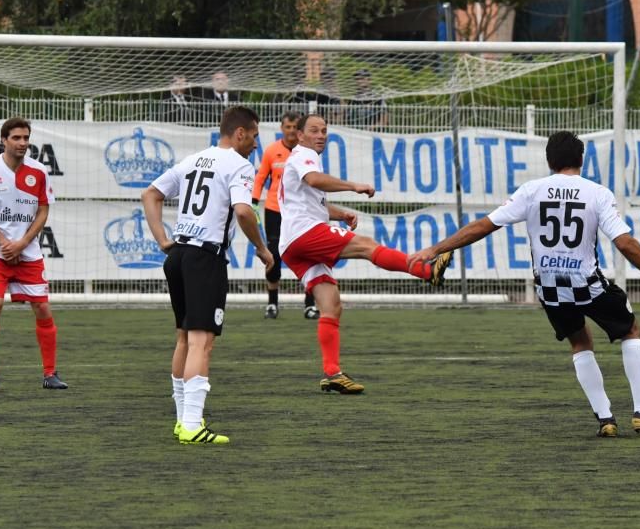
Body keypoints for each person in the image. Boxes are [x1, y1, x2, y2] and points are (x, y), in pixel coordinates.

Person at [408, 131, 640, 437]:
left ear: (549, 160)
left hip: (549, 288)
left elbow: (483, 225)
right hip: (587, 284)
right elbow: (625, 243)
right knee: (630, 330)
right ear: (581, 159)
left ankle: (606, 419)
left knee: (580, 343)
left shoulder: (532, 190)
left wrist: (436, 248)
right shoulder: (597, 193)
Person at [279, 113, 452, 394]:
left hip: (291, 244)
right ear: (300, 135)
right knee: (367, 245)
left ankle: (333, 374)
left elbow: (310, 201)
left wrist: (340, 213)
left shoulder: (301, 159)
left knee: (331, 305)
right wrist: (353, 186)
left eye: (324, 130)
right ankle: (426, 270)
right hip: (304, 233)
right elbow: (314, 180)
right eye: (314, 130)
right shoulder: (303, 155)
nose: (321, 135)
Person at [141, 106, 275, 444]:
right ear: (240, 133)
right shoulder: (240, 165)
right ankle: (191, 425)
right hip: (205, 258)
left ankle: (182, 421)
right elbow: (243, 211)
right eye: (254, 136)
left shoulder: (193, 160)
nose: (255, 144)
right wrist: (261, 248)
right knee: (202, 342)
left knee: (184, 339)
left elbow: (150, 194)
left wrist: (162, 240)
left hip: (178, 255)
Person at [0, 117, 67, 390]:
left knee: (43, 308)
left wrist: (22, 243)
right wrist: (4, 243)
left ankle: (50, 374)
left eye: (26, 138)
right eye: (16, 138)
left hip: (28, 252)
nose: (22, 143)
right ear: (4, 140)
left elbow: (43, 210)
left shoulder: (38, 171)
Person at [252, 111, 319, 319]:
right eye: (287, 127)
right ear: (282, 128)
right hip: (275, 210)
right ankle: (272, 304)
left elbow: (315, 181)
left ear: (300, 131)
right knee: (273, 256)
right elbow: (260, 178)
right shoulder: (271, 151)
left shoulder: (307, 153)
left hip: (301, 211)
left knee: (308, 254)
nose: (290, 131)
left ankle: (309, 305)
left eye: (294, 127)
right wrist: (253, 201)